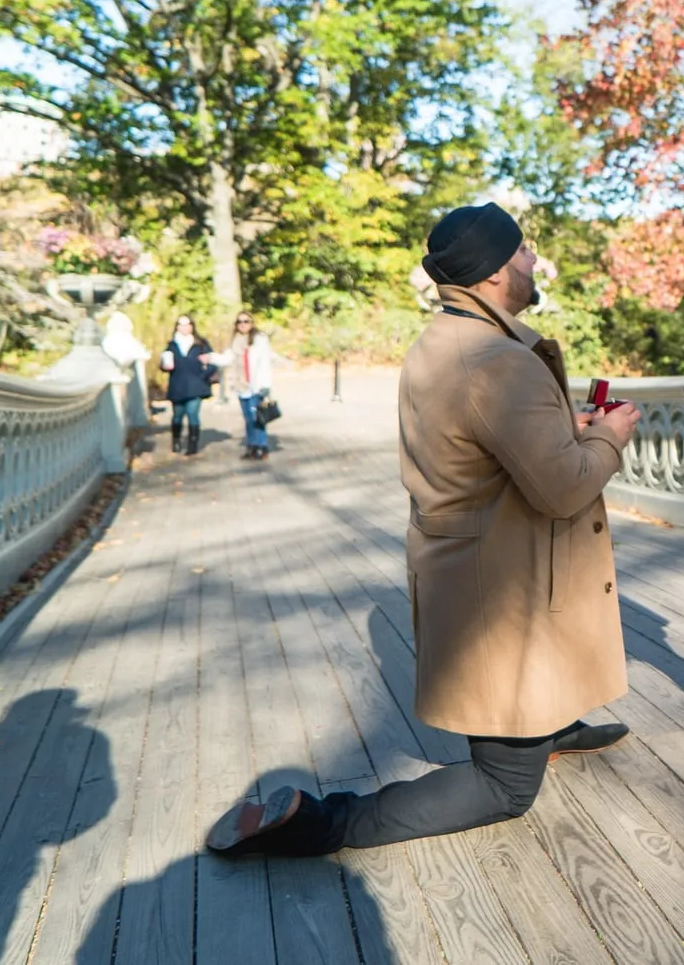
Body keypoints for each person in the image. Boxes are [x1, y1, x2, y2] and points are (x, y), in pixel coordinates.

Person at [206, 202, 642, 857]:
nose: (533, 262)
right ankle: (318, 823)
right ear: (495, 273)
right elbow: (564, 490)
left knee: (525, 704)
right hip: (502, 598)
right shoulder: (498, 360)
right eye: (523, 251)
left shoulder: (443, 342)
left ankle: (548, 726)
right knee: (504, 788)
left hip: (466, 574)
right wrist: (609, 439)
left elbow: (483, 446)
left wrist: (564, 431)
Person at [158, 314, 217, 456]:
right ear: (177, 327)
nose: (184, 327)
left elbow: (213, 363)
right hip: (178, 385)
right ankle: (176, 439)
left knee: (193, 414)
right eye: (181, 324)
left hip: (196, 386)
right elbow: (164, 364)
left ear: (192, 326)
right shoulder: (172, 345)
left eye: (187, 324)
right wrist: (164, 366)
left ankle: (193, 444)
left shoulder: (201, 344)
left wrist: (203, 375)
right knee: (178, 415)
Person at [221, 311, 275, 461]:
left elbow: (265, 363)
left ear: (252, 323)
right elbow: (226, 358)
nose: (243, 324)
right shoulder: (235, 341)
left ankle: (261, 446)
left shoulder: (260, 340)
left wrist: (266, 384)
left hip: (255, 385)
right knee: (248, 418)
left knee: (257, 417)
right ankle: (251, 446)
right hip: (240, 385)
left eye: (246, 321)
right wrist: (210, 358)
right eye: (240, 322)